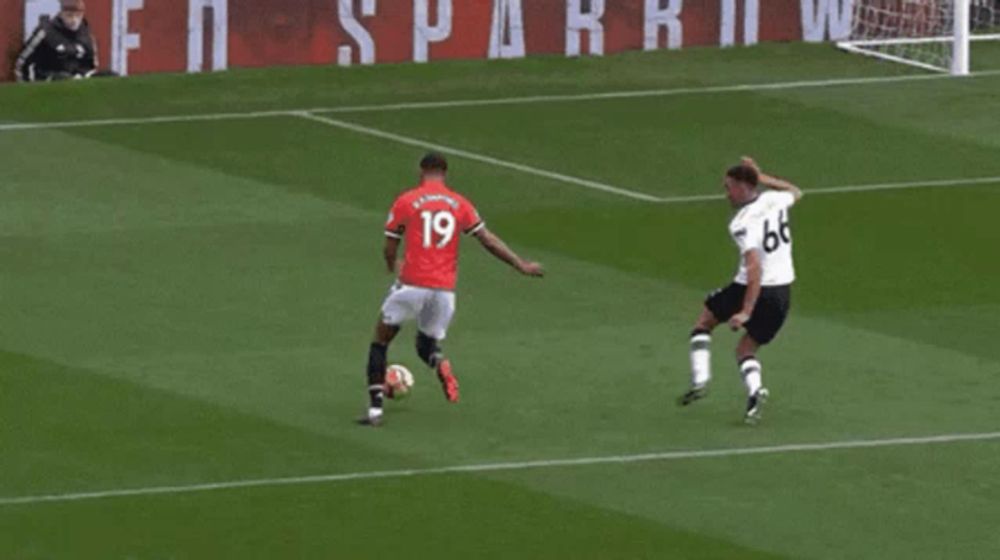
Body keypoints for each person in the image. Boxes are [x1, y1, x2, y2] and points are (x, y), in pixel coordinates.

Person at [359, 153, 544, 427]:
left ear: (421, 171)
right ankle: (439, 363)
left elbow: (390, 243)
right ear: (445, 173)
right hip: (444, 291)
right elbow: (487, 239)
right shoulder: (460, 203)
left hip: (411, 284)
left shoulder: (407, 200)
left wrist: (391, 264)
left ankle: (375, 412)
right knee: (426, 344)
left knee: (381, 341)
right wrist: (520, 264)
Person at [678, 157, 803, 424]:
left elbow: (755, 267)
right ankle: (755, 393)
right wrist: (763, 176)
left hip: (752, 287)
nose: (727, 194)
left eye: (729, 187)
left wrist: (746, 310)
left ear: (744, 187)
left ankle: (700, 380)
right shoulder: (775, 200)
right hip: (783, 293)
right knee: (746, 349)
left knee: (703, 322)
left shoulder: (742, 223)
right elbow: (796, 191)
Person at [15, 0, 98, 82]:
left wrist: (81, 76)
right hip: (49, 82)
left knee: (107, 74)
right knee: (63, 78)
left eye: (78, 16)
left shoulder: (87, 35)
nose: (74, 20)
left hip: (77, 84)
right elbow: (22, 63)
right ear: (61, 13)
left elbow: (91, 67)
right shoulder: (45, 32)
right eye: (69, 15)